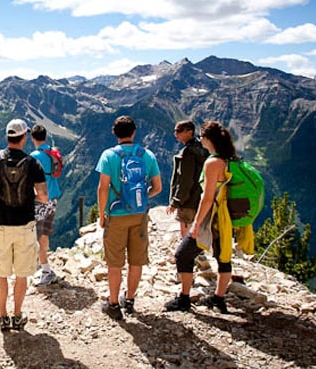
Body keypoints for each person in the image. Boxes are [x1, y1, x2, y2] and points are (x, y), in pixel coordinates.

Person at [0, 118, 48, 332]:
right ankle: (17, 315)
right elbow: (44, 196)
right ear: (24, 137)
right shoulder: (33, 163)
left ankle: (2, 316)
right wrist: (30, 195)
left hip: (0, 225)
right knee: (21, 274)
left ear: (8, 136)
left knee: (1, 273)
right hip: (25, 225)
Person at [164, 121, 236, 314]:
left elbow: (207, 197)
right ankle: (219, 299)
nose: (200, 140)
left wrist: (196, 224)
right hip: (226, 218)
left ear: (208, 139)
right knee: (223, 257)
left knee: (182, 254)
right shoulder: (232, 159)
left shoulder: (213, 162)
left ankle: (184, 298)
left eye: (202, 137)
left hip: (210, 217)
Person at [95, 115, 162, 320]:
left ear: (115, 133)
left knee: (114, 262)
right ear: (134, 132)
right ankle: (130, 300)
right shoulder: (147, 155)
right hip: (139, 216)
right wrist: (139, 199)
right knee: (136, 260)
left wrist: (103, 213)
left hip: (116, 214)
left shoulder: (109, 155)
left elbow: (103, 188)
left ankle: (113, 304)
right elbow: (157, 188)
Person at [29, 124, 63, 286]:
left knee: (36, 235)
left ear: (32, 138)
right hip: (53, 197)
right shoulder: (52, 151)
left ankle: (45, 270)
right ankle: (45, 267)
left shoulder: (34, 156)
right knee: (44, 234)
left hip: (40, 199)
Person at [165, 120, 209, 237]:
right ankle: (198, 252)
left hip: (187, 201)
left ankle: (186, 254)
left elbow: (185, 180)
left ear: (190, 132)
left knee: (186, 229)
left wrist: (176, 201)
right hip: (200, 196)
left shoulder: (188, 153)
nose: (176, 134)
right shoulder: (203, 149)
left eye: (179, 131)